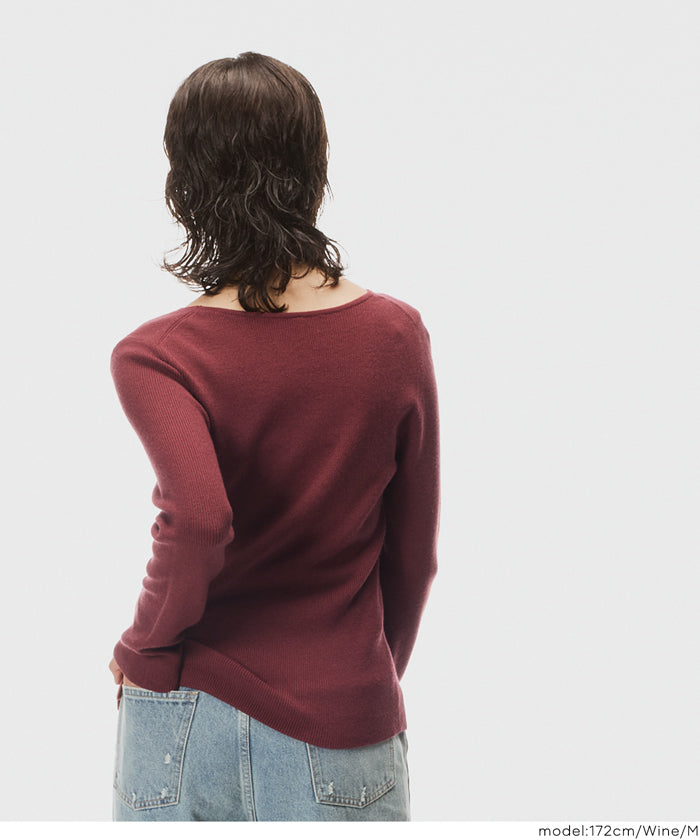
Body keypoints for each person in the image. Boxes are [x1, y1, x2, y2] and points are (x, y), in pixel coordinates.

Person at [108, 51, 441, 822]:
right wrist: (359, 679)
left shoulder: (157, 355)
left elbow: (198, 521)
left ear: (186, 184)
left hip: (180, 708)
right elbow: (413, 557)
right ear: (313, 170)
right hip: (342, 712)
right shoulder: (396, 336)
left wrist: (142, 646)